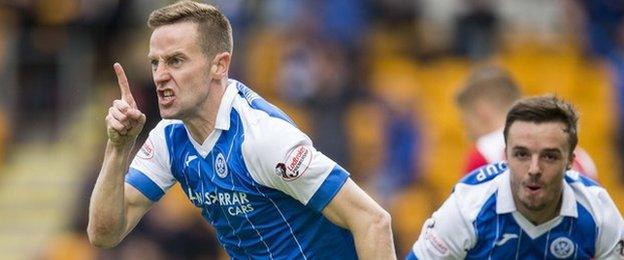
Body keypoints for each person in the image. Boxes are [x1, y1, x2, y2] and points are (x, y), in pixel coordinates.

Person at [87, 1, 395, 259]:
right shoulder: (169, 137)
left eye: (176, 61)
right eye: (155, 63)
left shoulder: (262, 137)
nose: (161, 76)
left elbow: (373, 220)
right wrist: (118, 147)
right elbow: (105, 233)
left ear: (219, 65)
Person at [407, 95, 624, 259]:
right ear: (506, 157)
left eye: (549, 156)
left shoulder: (598, 213)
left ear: (570, 162)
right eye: (521, 154)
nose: (534, 169)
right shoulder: (467, 208)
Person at [456, 65, 597, 179]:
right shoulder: (582, 159)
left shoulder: (484, 153)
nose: (467, 133)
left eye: (466, 122)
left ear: (482, 111)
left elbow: (470, 212)